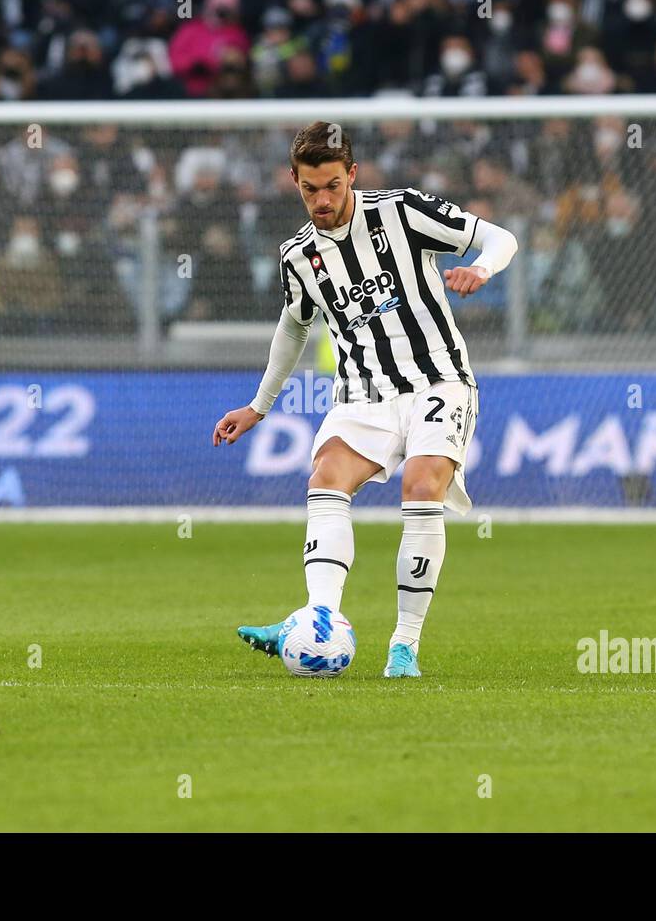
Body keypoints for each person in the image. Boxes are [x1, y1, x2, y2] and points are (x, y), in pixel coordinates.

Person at [212, 122, 518, 678]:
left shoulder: (404, 213)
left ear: (352, 174)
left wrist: (481, 267)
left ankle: (405, 645)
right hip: (362, 395)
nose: (323, 201)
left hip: (438, 381)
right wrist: (259, 405)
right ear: (294, 183)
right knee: (326, 478)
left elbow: (502, 237)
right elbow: (293, 328)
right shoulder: (298, 256)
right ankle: (318, 619)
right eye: (310, 190)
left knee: (421, 486)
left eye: (333, 185)